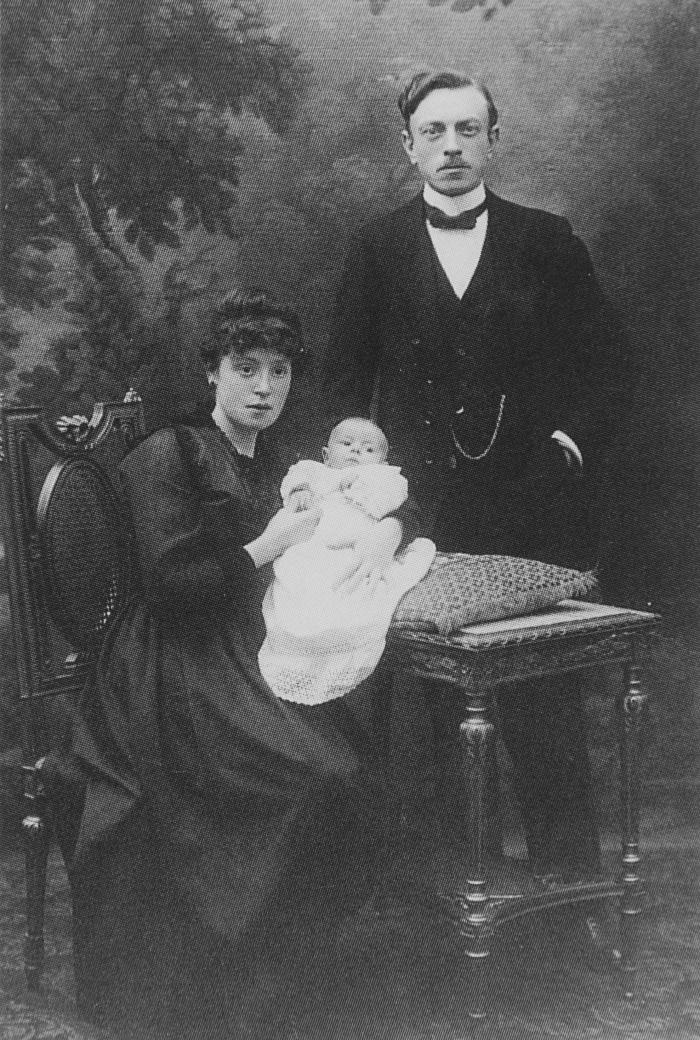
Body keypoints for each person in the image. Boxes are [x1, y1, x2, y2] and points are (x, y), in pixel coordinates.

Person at [323, 70, 629, 961]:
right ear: (406, 145)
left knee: (545, 710)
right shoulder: (376, 248)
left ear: (494, 139)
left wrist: (568, 443)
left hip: (535, 512)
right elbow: (343, 383)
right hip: (418, 518)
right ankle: (455, 914)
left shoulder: (547, 241)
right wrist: (362, 482)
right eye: (433, 130)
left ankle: (571, 913)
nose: (451, 146)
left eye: (468, 129)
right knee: (431, 717)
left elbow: (610, 364)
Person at [47, 290, 389, 1040]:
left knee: (347, 764)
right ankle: (231, 997)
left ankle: (275, 986)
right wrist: (272, 546)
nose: (264, 388)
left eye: (278, 372)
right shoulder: (167, 454)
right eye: (245, 369)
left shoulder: (279, 462)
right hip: (170, 666)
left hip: (245, 649)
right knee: (309, 772)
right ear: (213, 372)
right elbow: (172, 588)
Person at [259, 417, 435, 705]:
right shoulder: (313, 472)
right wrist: (300, 493)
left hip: (358, 548)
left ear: (383, 461)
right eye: (347, 444)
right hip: (313, 546)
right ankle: (302, 653)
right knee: (299, 583)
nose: (356, 452)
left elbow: (397, 504)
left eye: (368, 450)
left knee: (357, 593)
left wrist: (364, 490)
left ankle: (344, 647)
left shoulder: (384, 479)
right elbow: (294, 486)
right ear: (326, 453)